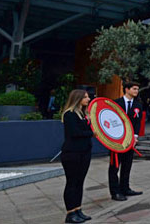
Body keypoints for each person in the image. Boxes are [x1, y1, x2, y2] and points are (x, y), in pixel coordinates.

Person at [60, 90, 93, 223]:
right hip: (72, 153)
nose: (88, 99)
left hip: (84, 152)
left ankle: (78, 209)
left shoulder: (83, 114)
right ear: (77, 98)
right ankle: (70, 213)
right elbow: (75, 132)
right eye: (85, 97)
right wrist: (92, 133)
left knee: (80, 182)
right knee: (72, 183)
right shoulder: (70, 114)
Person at [110, 82, 143, 202]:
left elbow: (138, 122)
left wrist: (135, 136)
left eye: (137, 89)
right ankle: (115, 191)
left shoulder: (138, 105)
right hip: (117, 140)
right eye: (134, 89)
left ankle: (125, 188)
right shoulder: (116, 103)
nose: (136, 91)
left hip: (130, 141)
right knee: (114, 167)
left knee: (127, 165)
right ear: (127, 89)